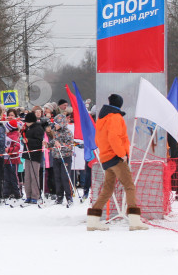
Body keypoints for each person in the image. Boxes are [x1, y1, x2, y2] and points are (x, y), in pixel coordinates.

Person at [87, 94, 148, 231]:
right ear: (120, 104)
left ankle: (93, 220)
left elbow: (98, 140)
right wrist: (122, 154)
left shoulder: (102, 119)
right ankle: (134, 221)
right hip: (116, 157)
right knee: (130, 186)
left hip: (106, 157)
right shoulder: (115, 117)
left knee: (108, 189)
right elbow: (114, 137)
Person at [49, 113, 75, 206]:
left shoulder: (67, 132)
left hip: (65, 157)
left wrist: (61, 145)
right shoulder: (55, 131)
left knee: (65, 177)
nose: (54, 125)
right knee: (57, 177)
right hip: (56, 157)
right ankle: (59, 197)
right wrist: (48, 144)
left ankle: (69, 197)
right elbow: (54, 141)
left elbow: (70, 146)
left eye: (56, 123)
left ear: (61, 123)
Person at [21, 112, 44, 204]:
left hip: (35, 155)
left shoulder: (38, 128)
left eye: (27, 121)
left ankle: (35, 195)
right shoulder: (27, 128)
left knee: (34, 176)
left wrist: (28, 140)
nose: (25, 123)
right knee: (27, 176)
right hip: (27, 154)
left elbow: (39, 142)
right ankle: (28, 195)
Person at [3, 119, 22, 199]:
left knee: (13, 176)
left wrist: (9, 150)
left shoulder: (15, 135)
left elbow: (17, 147)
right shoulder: (8, 134)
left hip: (13, 159)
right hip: (6, 158)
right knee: (6, 177)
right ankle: (6, 193)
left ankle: (17, 193)